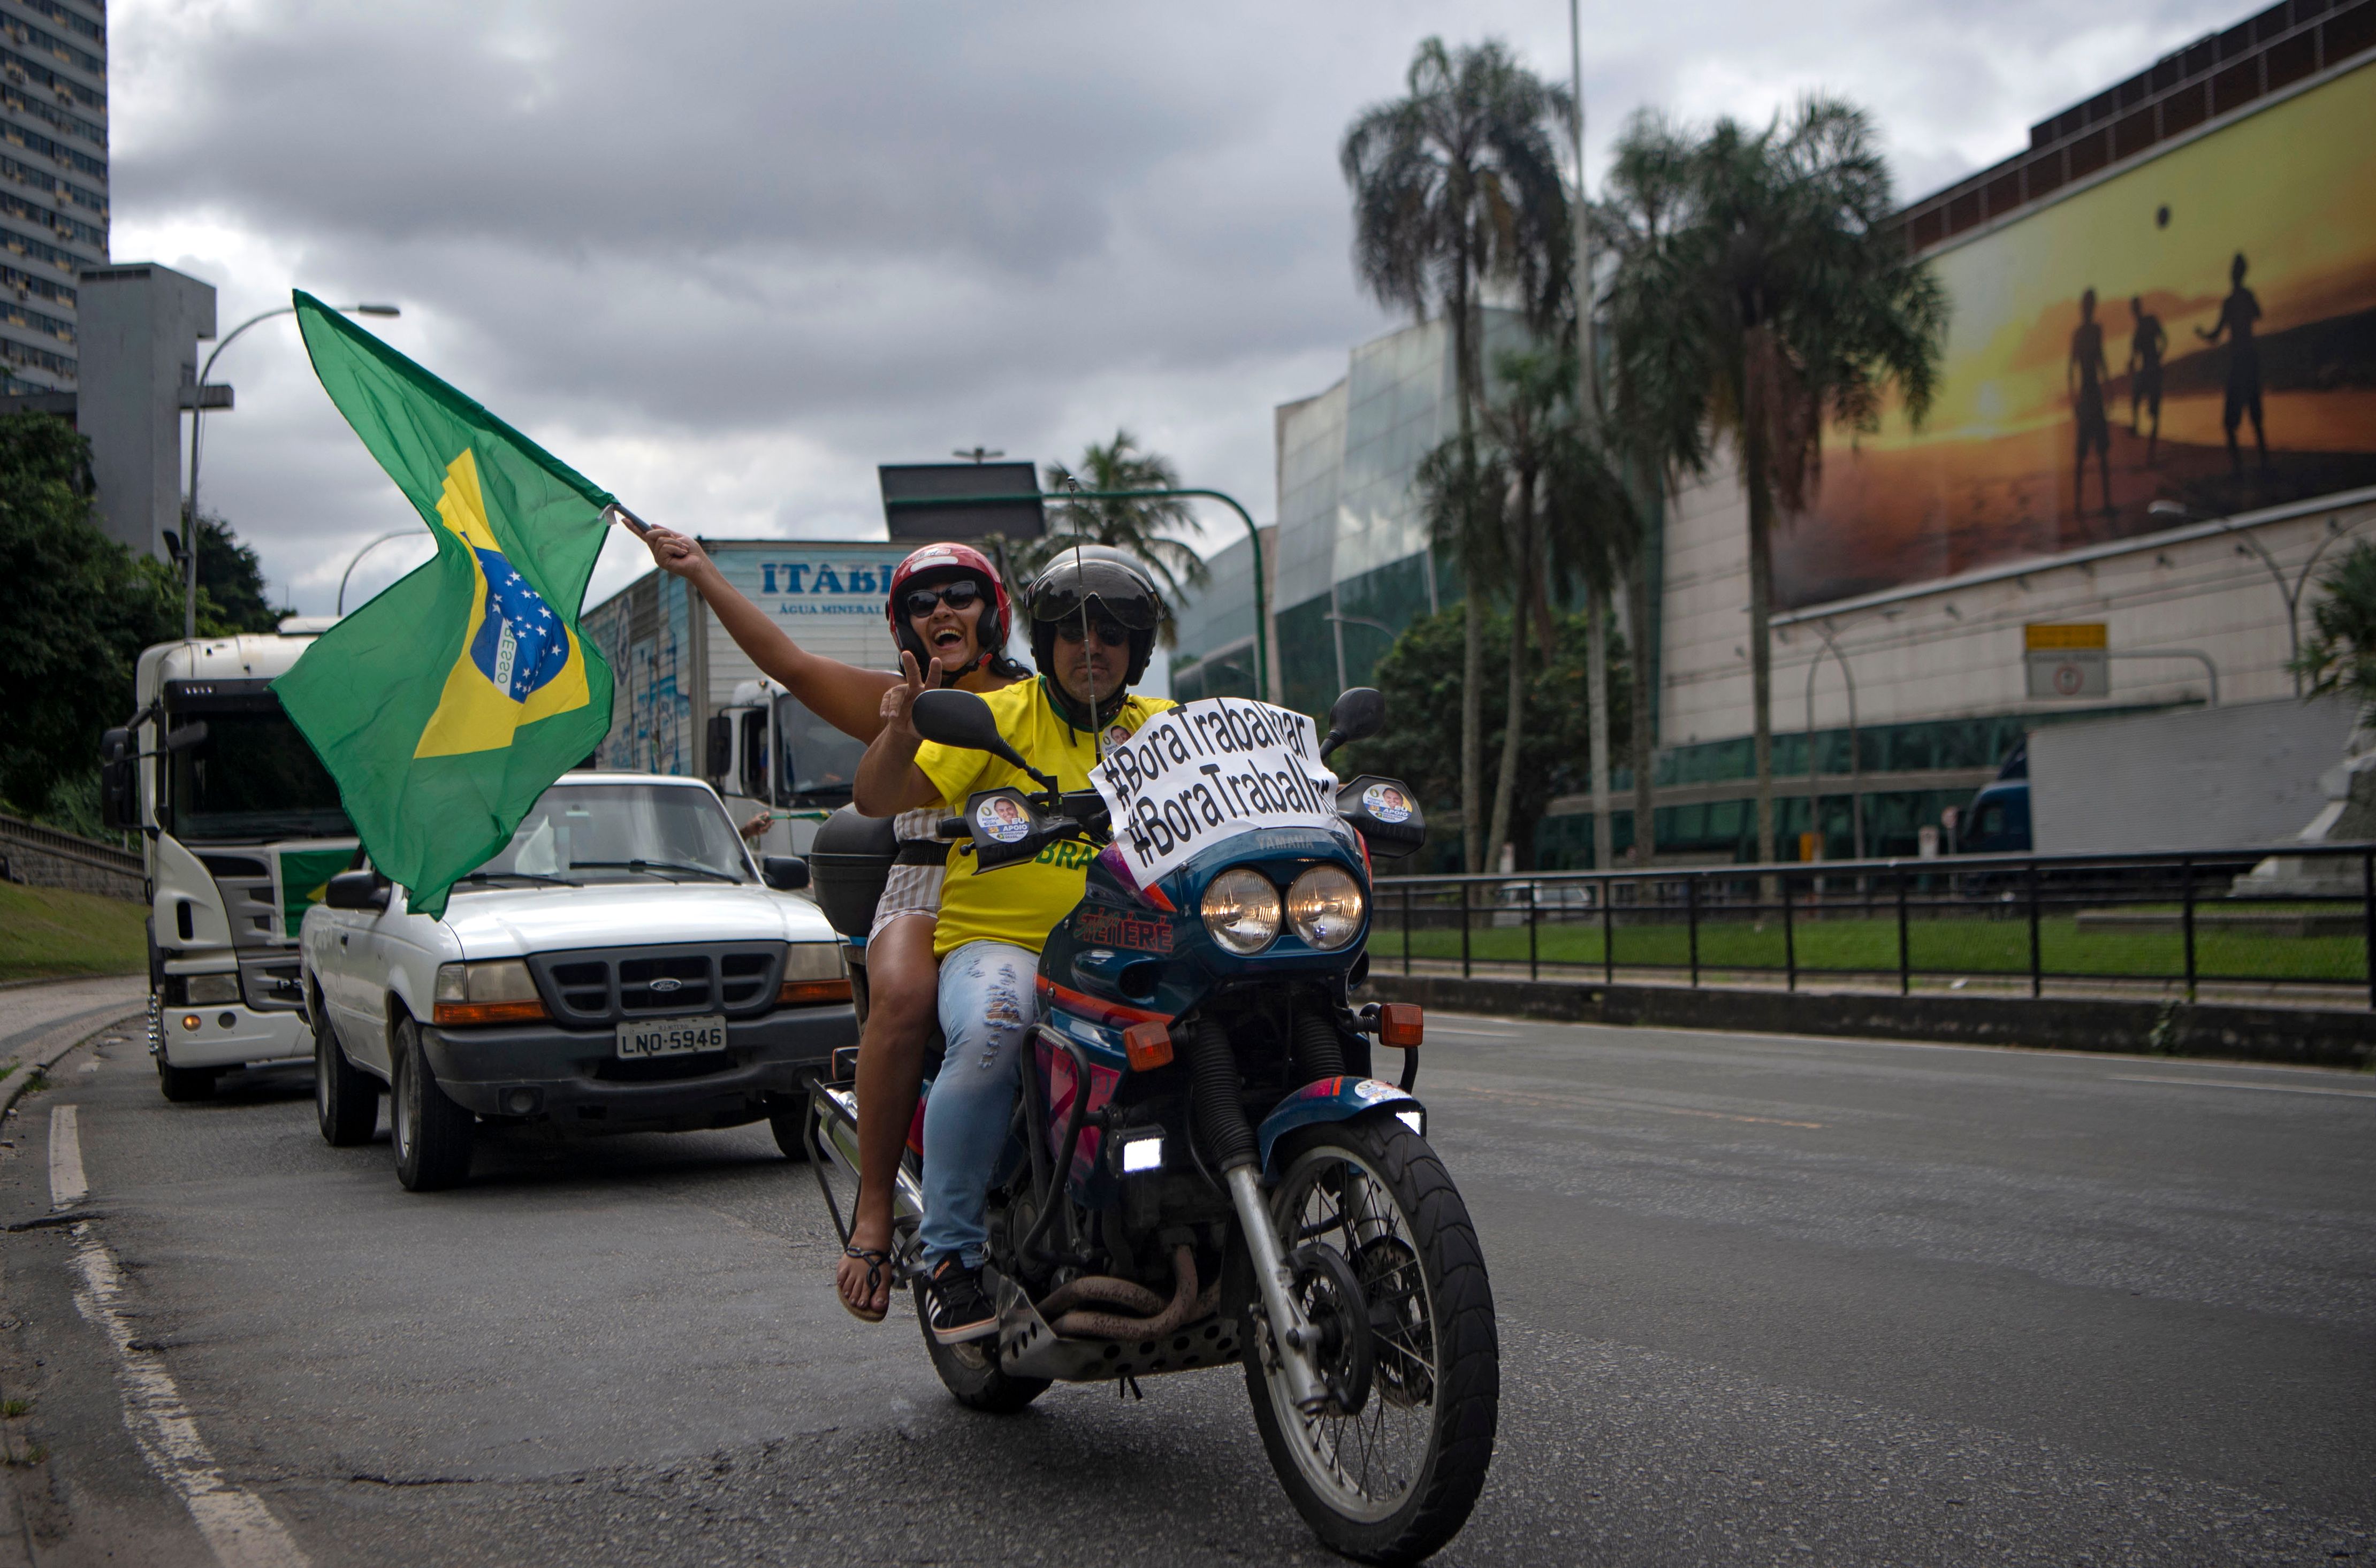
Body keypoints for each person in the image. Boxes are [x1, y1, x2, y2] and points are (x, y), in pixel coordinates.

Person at [637, 527, 1025, 1321]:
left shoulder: (1044, 697)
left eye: (960, 595)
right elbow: (790, 664)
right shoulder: (899, 700)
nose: (941, 610)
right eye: (922, 602)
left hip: (1040, 885)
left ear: (997, 612)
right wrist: (701, 571)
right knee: (908, 998)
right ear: (903, 625)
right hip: (927, 880)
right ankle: (876, 1215)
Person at [853, 546, 1175, 1343]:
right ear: (1046, 642)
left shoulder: (1166, 728)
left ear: (1137, 651)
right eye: (1070, 631)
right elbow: (880, 797)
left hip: (1134, 945)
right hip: (1005, 943)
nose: (1089, 647)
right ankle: (950, 1258)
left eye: (1111, 634)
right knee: (995, 1024)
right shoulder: (996, 718)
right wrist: (899, 731)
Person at [2197, 251, 2268, 477]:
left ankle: (2241, 469)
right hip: (2249, 361)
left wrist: (2202, 334)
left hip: (2240, 364)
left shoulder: (2231, 302)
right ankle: (2261, 464)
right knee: (2255, 419)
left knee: (2232, 423)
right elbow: (2258, 314)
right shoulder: (2245, 297)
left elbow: (2216, 334)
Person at [2068, 287, 2115, 523]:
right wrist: (2074, 402)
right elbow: (2071, 370)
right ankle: (2078, 504)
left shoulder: (2095, 331)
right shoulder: (2080, 334)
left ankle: (2106, 502)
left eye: (2091, 305)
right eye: (2087, 305)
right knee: (2082, 454)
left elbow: (2102, 360)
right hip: (2088, 396)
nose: (2089, 309)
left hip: (2093, 394)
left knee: (2102, 452)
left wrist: (2109, 389)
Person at [2126, 296, 2167, 464]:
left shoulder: (2150, 322)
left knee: (2154, 413)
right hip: (2147, 370)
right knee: (2136, 396)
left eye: (2135, 308)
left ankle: (2151, 451)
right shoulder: (2137, 334)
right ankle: (2136, 425)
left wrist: (2160, 354)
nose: (2135, 312)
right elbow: (2134, 358)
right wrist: (2130, 365)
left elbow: (2164, 340)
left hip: (2153, 369)